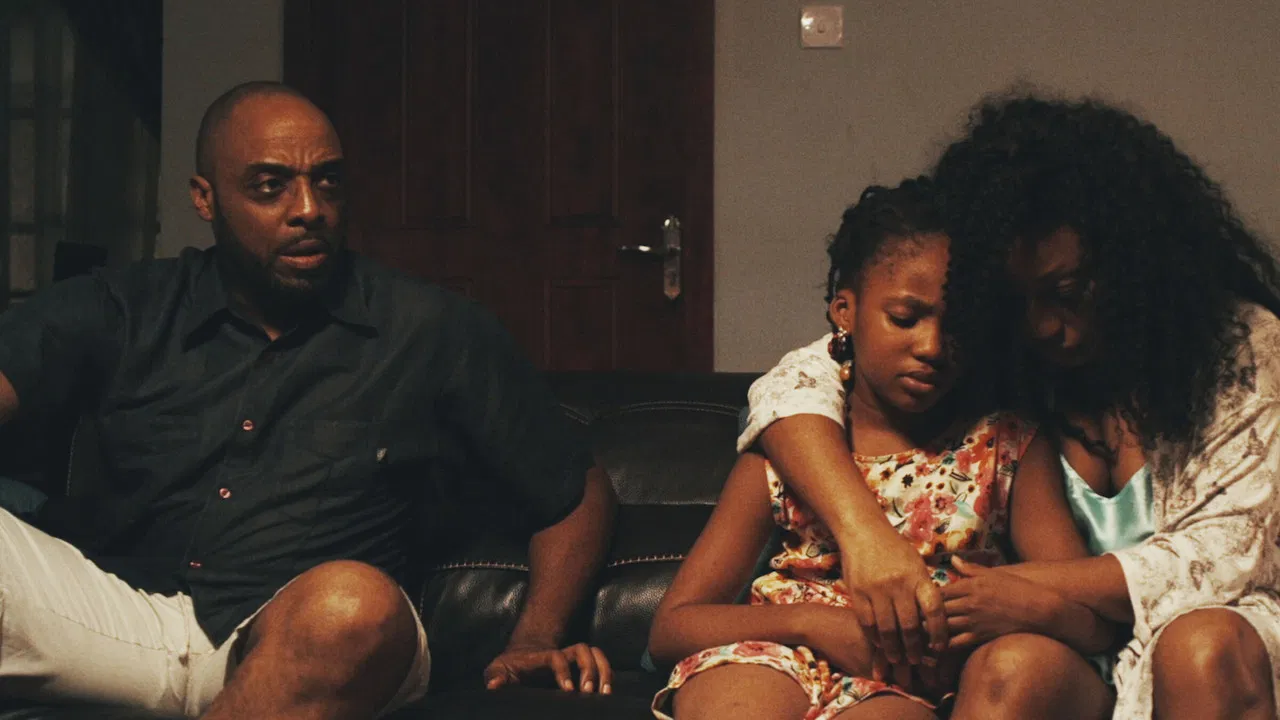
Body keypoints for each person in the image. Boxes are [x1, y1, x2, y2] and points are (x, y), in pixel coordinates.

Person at [0, 81, 618, 720]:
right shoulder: (123, 305)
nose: (308, 209)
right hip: (113, 617)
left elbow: (576, 490)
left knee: (350, 605)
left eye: (328, 182)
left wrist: (534, 638)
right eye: (270, 186)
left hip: (316, 636)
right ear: (205, 198)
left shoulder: (431, 328)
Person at [743, 93, 1280, 719]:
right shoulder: (985, 345)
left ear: (1133, 260)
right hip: (1057, 657)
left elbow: (1225, 553)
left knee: (1200, 644)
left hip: (1215, 637)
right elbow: (793, 386)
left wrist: (1028, 589)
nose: (1043, 325)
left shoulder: (1237, 348)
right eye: (1016, 299)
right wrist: (868, 536)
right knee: (1012, 666)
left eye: (1068, 291)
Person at [646, 179, 1114, 720]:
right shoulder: (787, 443)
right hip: (774, 651)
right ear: (845, 310)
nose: (932, 347)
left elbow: (1087, 615)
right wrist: (812, 624)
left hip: (904, 685)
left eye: (957, 327)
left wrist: (1017, 607)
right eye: (904, 318)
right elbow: (672, 626)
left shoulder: (1005, 448)